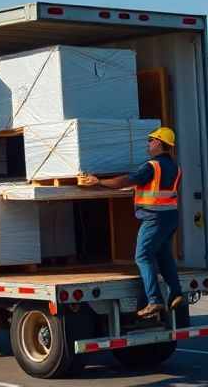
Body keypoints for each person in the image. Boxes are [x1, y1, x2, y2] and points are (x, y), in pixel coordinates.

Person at [79, 127, 184, 319]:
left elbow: (126, 181)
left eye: (150, 141)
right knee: (164, 256)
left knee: (142, 256)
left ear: (159, 143)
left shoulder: (152, 166)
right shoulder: (176, 167)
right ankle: (176, 293)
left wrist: (98, 182)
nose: (148, 144)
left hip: (154, 218)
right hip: (170, 217)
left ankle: (154, 301)